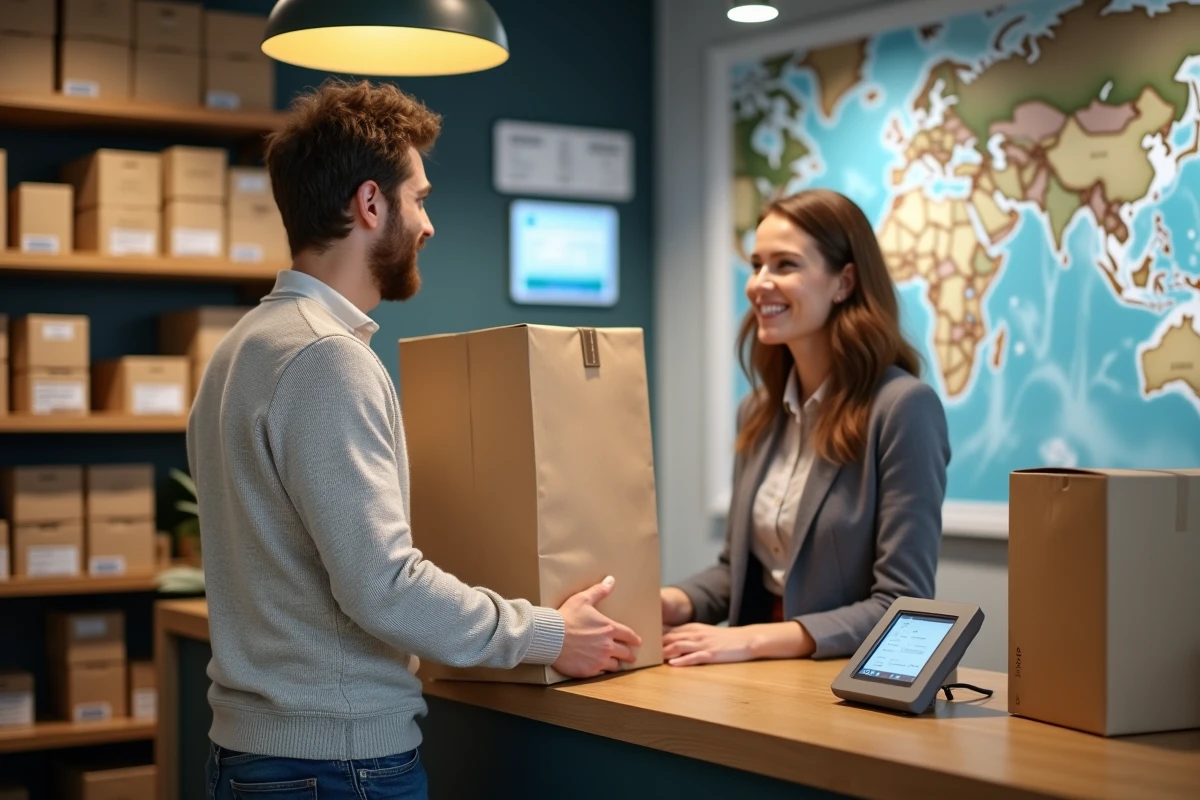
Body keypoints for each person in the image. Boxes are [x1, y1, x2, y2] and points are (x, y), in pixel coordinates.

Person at [189, 80, 641, 800]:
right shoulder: (325, 358)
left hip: (257, 756)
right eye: (420, 198)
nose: (428, 225)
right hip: (336, 765)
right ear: (371, 204)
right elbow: (383, 586)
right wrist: (548, 633)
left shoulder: (241, 348)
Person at [660, 188, 950, 667]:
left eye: (785, 265)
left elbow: (904, 606)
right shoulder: (756, 411)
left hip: (842, 679)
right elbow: (738, 573)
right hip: (754, 674)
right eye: (756, 264)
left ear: (844, 282)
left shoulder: (903, 408)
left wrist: (754, 640)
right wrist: (671, 601)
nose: (759, 283)